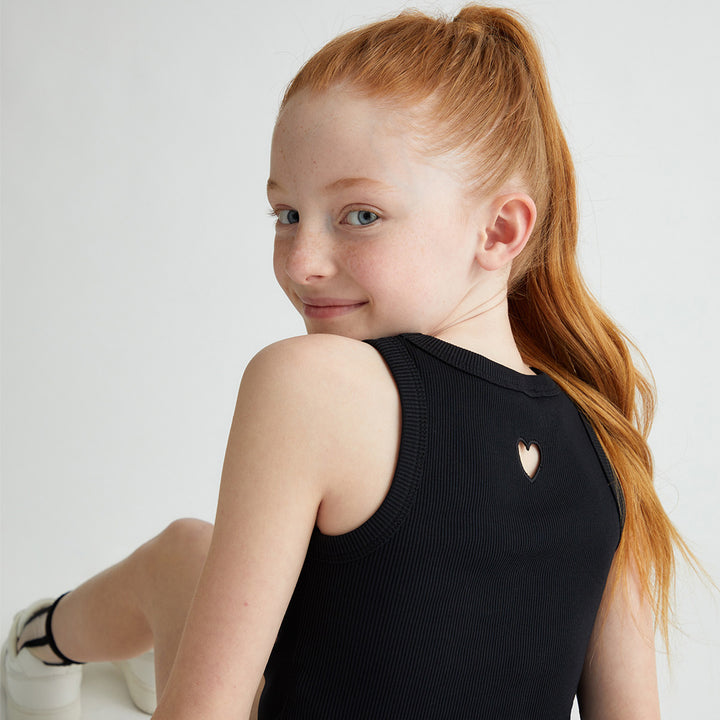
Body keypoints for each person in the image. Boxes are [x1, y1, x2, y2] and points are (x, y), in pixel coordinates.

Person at [2, 5, 692, 719]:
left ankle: (35, 644)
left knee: (183, 556)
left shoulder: (310, 382)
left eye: (360, 215)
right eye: (286, 215)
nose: (301, 262)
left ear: (499, 229)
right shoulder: (606, 439)